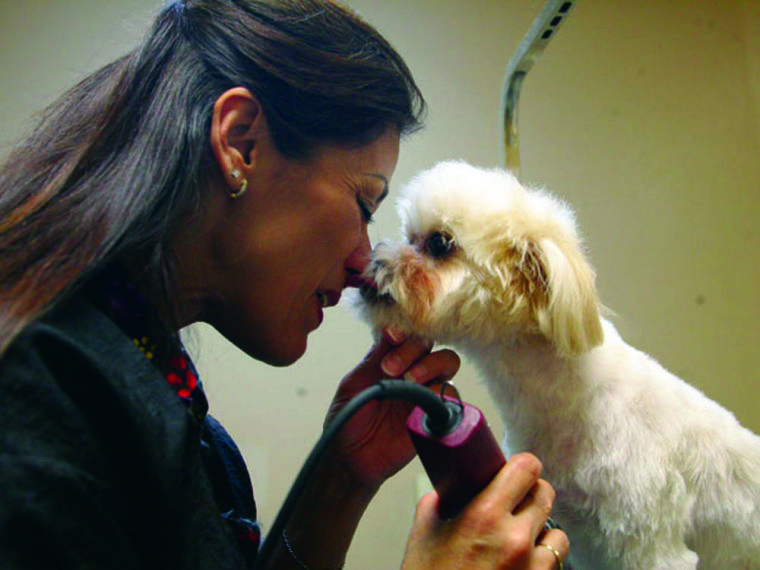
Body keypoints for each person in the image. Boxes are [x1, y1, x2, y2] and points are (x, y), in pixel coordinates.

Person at [0, 0, 570, 568]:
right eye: (363, 202)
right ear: (241, 141)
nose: (362, 262)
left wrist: (338, 483)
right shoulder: (37, 396)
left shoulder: (158, 392)